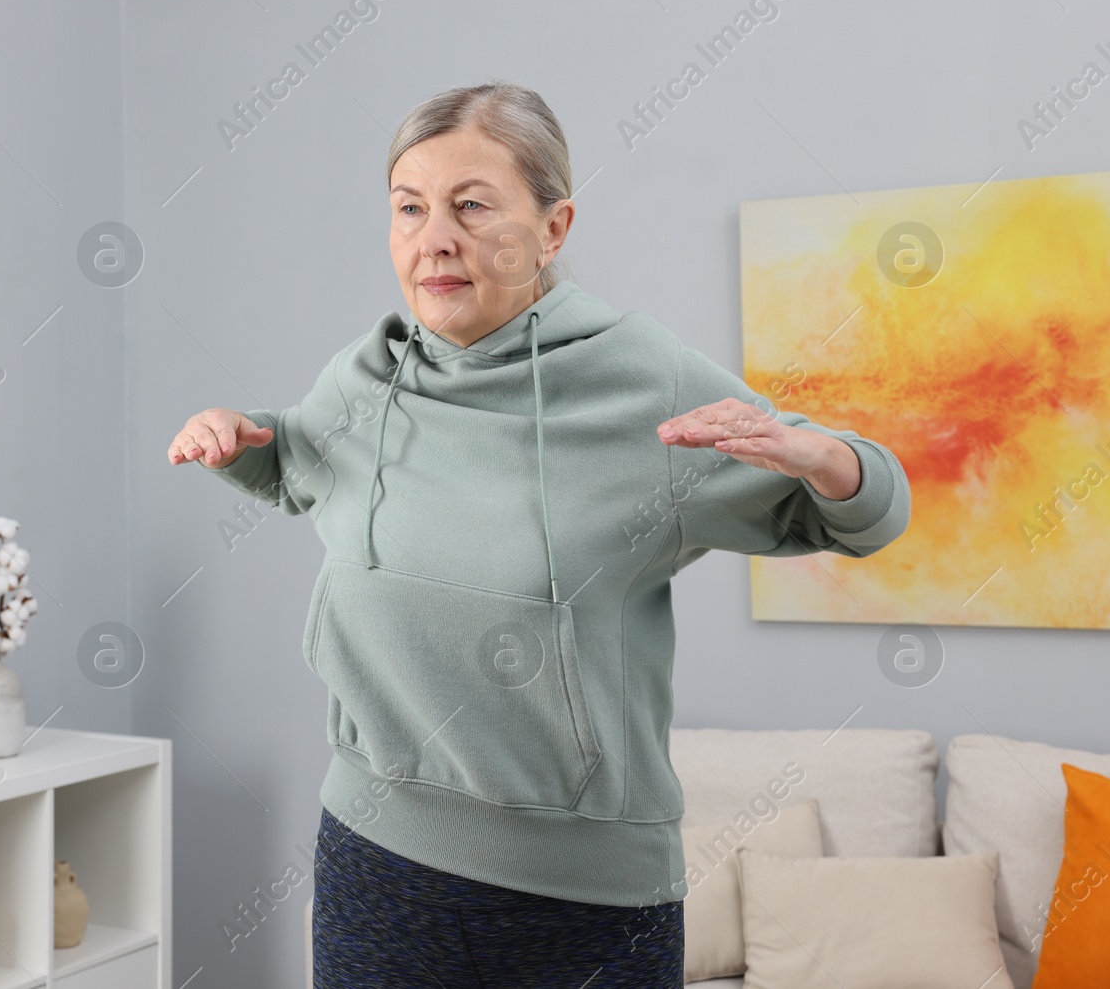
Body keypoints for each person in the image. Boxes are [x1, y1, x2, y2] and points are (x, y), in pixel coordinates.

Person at [168, 81, 911, 988]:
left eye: (472, 206)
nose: (434, 237)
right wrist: (235, 439)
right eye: (410, 208)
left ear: (554, 228)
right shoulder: (370, 374)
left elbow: (866, 515)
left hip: (586, 906)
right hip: (376, 864)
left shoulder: (644, 381)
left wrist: (829, 456)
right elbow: (297, 463)